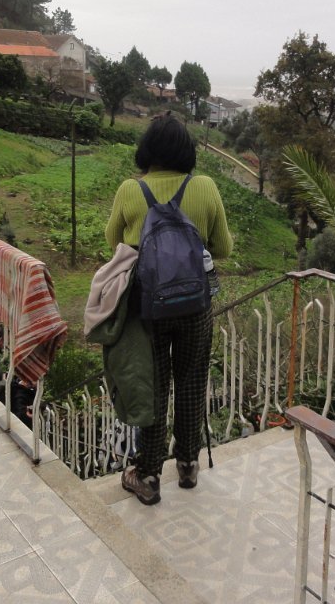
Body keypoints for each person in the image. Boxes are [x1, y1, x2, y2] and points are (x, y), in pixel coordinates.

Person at [105, 113, 232, 505]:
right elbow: (224, 248)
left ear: (147, 151)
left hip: (147, 307)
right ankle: (189, 463)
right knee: (192, 382)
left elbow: (113, 241)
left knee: (153, 386)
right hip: (195, 305)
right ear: (186, 151)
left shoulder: (131, 190)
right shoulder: (204, 187)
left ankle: (147, 474)